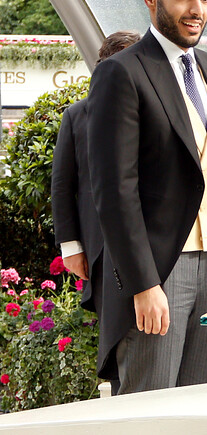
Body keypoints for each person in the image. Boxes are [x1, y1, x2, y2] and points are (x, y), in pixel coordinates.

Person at [86, 0, 207, 394]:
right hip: (161, 269)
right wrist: (143, 284)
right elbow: (115, 191)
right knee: (149, 406)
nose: (197, 10)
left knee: (198, 403)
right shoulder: (122, 73)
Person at [51, 30, 141, 395]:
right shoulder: (78, 115)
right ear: (105, 66)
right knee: (119, 333)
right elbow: (62, 184)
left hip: (156, 242)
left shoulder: (161, 108)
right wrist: (71, 246)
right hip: (104, 249)